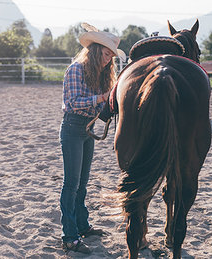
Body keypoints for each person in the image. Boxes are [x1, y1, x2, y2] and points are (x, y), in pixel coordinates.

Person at [59, 24, 126, 254]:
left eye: (111, 57)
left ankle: (82, 225)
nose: (109, 60)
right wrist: (101, 97)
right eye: (106, 54)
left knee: (82, 183)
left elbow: (102, 104)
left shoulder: (100, 74)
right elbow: (71, 103)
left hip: (87, 130)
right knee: (71, 184)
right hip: (72, 128)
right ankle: (69, 236)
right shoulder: (76, 70)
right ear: (96, 50)